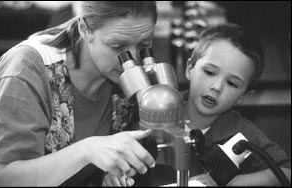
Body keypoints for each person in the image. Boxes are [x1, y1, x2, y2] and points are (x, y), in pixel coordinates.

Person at [0, 1, 158, 186]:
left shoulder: (125, 72)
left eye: (143, 45)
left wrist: (115, 172)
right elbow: (3, 180)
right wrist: (87, 151)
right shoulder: (26, 70)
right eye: (118, 47)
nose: (133, 59)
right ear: (84, 29)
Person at [102, 23, 291, 186]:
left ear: (243, 96)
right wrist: (114, 177)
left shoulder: (243, 134)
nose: (216, 87)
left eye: (232, 83)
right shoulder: (152, 111)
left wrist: (234, 183)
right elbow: (119, 164)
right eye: (209, 72)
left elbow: (287, 172)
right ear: (190, 68)